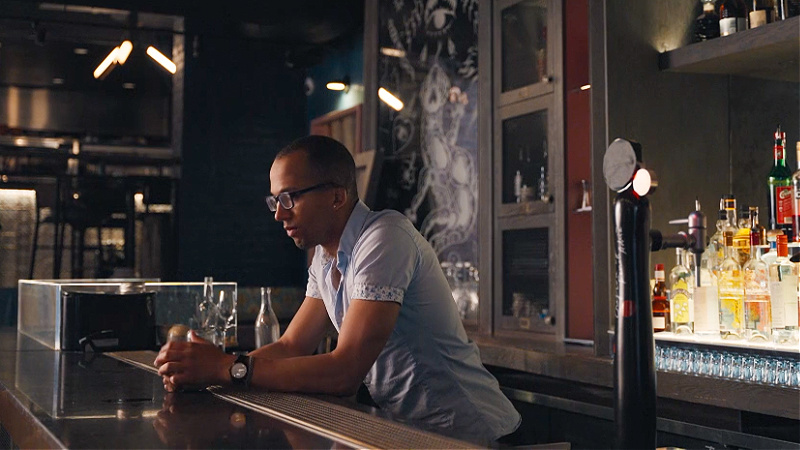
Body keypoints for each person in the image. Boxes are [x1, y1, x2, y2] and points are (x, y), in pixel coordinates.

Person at [155, 135, 521, 444]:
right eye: (275, 201)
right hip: (412, 433)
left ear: (336, 196)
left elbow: (344, 371)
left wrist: (227, 369)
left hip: (470, 435)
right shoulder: (325, 258)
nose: (279, 215)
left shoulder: (384, 238)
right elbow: (291, 346)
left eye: (290, 198)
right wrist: (210, 377)